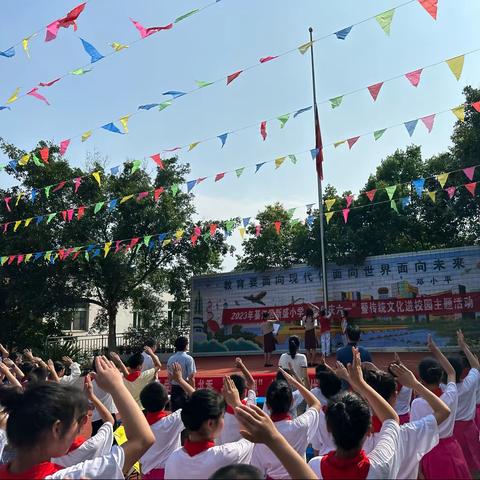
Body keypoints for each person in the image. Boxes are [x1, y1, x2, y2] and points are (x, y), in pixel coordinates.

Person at [0, 356, 155, 479]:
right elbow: (143, 439)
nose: (78, 430)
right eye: (76, 424)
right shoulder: (67, 476)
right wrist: (117, 386)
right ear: (58, 428)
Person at [308, 348, 401, 479]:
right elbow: (391, 419)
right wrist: (361, 383)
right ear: (369, 429)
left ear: (329, 427)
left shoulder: (314, 467)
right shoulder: (380, 466)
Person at [164, 378, 254, 479]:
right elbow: (250, 435)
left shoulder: (173, 459)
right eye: (222, 417)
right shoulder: (227, 455)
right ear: (210, 423)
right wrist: (236, 403)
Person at [410, 335, 471, 479]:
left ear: (421, 379)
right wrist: (435, 350)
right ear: (440, 376)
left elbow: (415, 438)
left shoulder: (417, 403)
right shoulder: (450, 394)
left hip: (429, 452)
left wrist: (417, 470)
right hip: (451, 449)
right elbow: (451, 372)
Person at [251, 368, 320, 479]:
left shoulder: (260, 438)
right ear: (292, 401)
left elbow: (257, 471)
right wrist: (295, 382)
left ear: (267, 405)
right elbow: (315, 403)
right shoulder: (301, 426)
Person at [140, 363, 194, 480]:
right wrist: (180, 380)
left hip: (147, 474)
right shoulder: (172, 421)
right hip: (171, 472)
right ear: (166, 402)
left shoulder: (137, 426)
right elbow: (199, 399)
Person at [448, 330, 480, 474]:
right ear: (463, 371)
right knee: (473, 460)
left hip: (451, 430)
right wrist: (463, 345)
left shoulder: (444, 389)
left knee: (457, 463)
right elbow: (476, 366)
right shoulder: (470, 382)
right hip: (469, 428)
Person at [217, 358, 256, 445]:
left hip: (223, 454)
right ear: (244, 392)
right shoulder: (248, 407)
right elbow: (252, 383)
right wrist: (242, 366)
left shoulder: (218, 411)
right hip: (244, 456)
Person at [90, 355, 119, 436]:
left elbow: (90, 405)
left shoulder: (90, 384)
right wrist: (118, 361)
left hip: (96, 418)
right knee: (116, 439)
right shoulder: (112, 381)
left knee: (97, 442)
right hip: (110, 415)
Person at [167, 336, 196, 412]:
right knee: (187, 413)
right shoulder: (189, 358)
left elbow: (169, 377)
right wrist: (192, 391)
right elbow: (191, 377)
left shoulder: (171, 359)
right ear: (186, 345)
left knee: (175, 413)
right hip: (185, 388)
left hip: (174, 389)